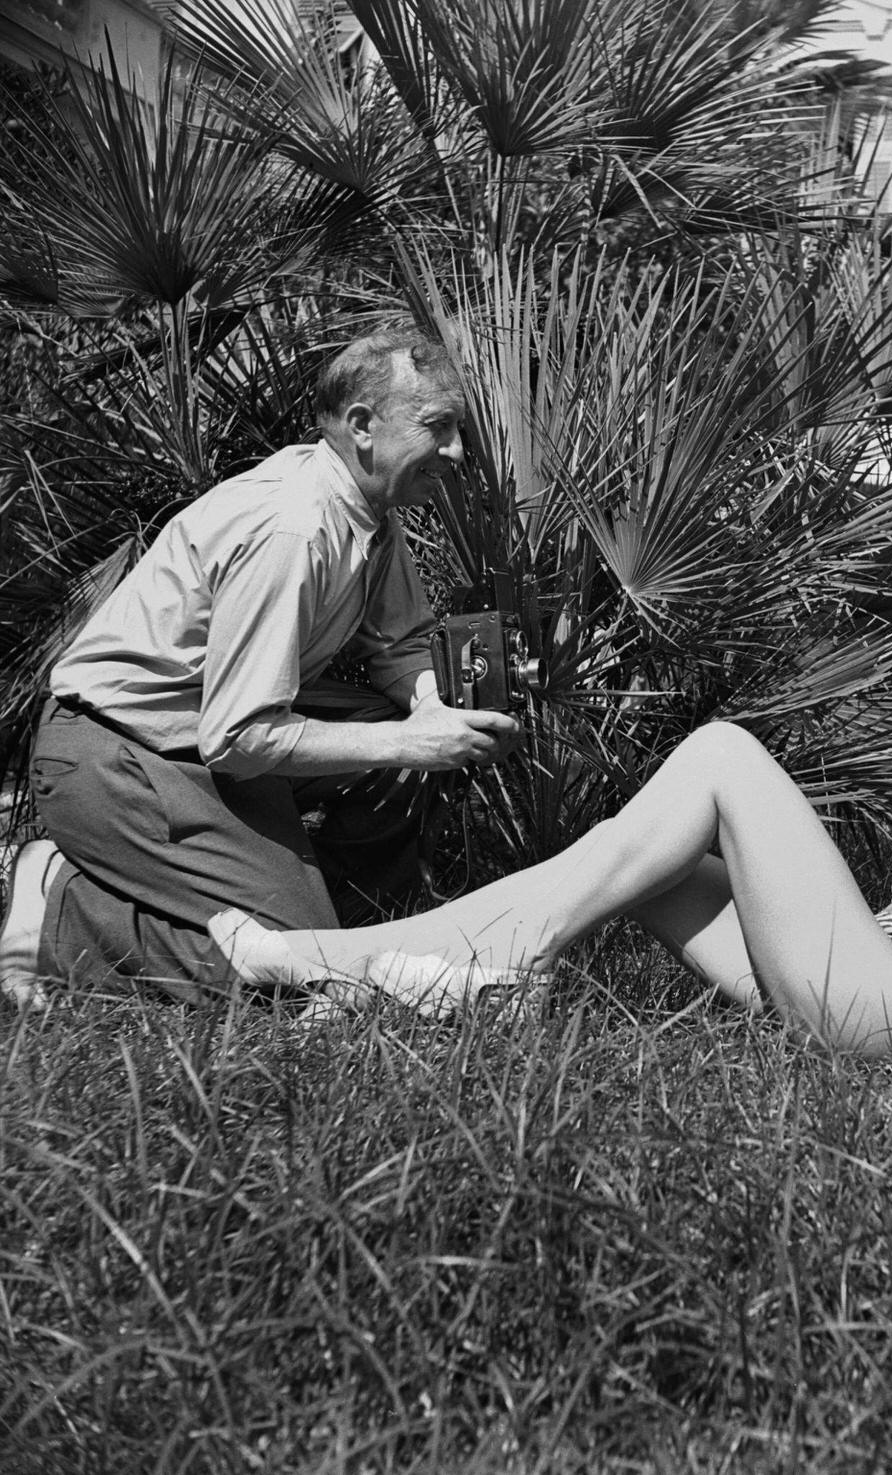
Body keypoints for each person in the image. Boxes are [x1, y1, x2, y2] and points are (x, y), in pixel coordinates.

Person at [212, 497, 892, 1056]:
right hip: (870, 959)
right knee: (637, 862)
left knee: (723, 753)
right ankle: (395, 972)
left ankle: (355, 960)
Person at [0, 328, 519, 1005]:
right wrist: (410, 738)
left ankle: (368, 937)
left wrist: (437, 707)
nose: (455, 451)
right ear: (362, 425)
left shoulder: (368, 510)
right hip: (117, 750)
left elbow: (400, 647)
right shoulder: (294, 530)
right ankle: (62, 913)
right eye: (438, 427)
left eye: (459, 430)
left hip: (202, 740)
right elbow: (239, 735)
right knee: (285, 976)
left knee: (407, 750)